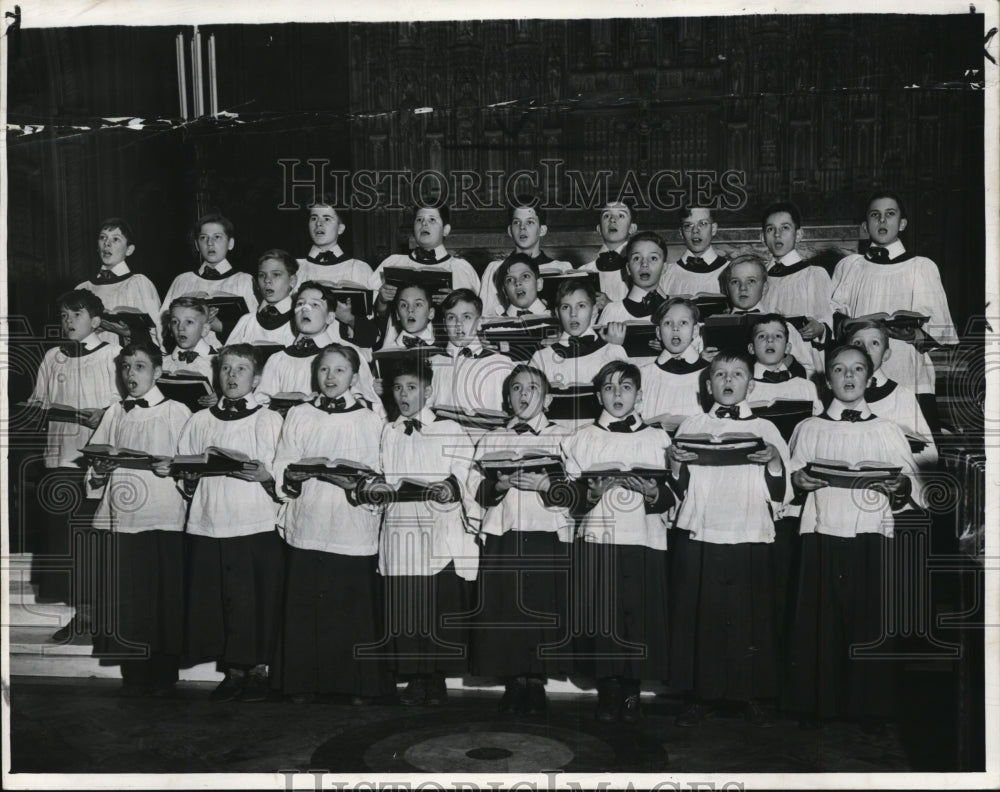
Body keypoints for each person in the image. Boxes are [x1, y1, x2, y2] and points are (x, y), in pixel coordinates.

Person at [786, 345, 924, 727]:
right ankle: (820, 705)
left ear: (870, 377)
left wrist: (898, 486)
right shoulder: (808, 427)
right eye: (839, 369)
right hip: (821, 529)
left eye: (857, 369)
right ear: (826, 379)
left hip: (871, 532)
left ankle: (869, 706)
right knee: (820, 617)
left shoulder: (887, 429)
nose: (848, 377)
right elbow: (790, 480)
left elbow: (913, 486)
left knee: (869, 617)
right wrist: (797, 480)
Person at [668, 349, 790, 728]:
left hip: (748, 527)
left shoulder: (766, 429)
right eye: (720, 375)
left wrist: (772, 460)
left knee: (747, 616)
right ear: (708, 385)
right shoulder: (691, 423)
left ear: (750, 384)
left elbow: (781, 490)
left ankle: (749, 694)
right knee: (702, 614)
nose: (728, 381)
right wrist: (674, 461)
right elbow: (679, 486)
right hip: (703, 528)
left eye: (737, 374)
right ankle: (701, 695)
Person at [271, 344, 393, 703]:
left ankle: (356, 684)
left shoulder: (371, 418)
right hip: (308, 519)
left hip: (349, 523)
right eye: (324, 370)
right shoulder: (299, 414)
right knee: (305, 609)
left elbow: (377, 472)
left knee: (349, 609)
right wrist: (293, 475)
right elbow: (282, 463)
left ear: (354, 377)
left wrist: (356, 484)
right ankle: (303, 683)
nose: (330, 377)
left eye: (339, 371)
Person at [561, 361, 674, 722]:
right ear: (598, 396)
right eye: (609, 388)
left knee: (638, 616)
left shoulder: (658, 438)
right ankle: (608, 689)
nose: (617, 395)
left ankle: (633, 691)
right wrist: (590, 493)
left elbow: (672, 495)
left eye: (625, 388)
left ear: (639, 396)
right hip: (599, 537)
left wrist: (655, 491)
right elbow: (571, 497)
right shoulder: (580, 438)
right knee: (603, 615)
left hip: (644, 537)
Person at [365, 357, 478, 706]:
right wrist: (380, 489)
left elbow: (464, 471)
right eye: (398, 388)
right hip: (400, 526)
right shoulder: (388, 431)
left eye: (412, 388)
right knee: (407, 604)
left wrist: (450, 487)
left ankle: (436, 676)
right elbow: (382, 473)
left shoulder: (449, 429)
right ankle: (415, 676)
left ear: (428, 391)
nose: (404, 395)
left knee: (435, 603)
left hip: (437, 525)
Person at [175, 344, 284, 703]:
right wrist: (189, 477)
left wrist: (267, 476)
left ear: (256, 378)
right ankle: (233, 671)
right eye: (226, 369)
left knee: (253, 599)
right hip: (210, 520)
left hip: (253, 521)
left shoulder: (268, 420)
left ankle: (257, 671)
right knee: (220, 599)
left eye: (241, 369)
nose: (232, 376)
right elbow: (185, 472)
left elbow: (279, 473)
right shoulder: (200, 420)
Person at [466, 365, 573, 715]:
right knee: (507, 608)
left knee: (542, 606)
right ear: (507, 397)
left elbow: (576, 489)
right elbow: (473, 489)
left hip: (546, 531)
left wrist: (547, 485)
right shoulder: (492, 438)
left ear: (549, 398)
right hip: (505, 530)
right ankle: (514, 682)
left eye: (532, 388)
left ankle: (536, 682)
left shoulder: (564, 437)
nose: (523, 394)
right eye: (516, 388)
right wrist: (498, 485)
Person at [85, 342, 190, 697]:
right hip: (123, 517)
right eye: (126, 367)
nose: (131, 375)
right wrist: (99, 470)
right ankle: (134, 673)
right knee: (128, 601)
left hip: (164, 517)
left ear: (158, 372)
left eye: (140, 367)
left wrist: (173, 468)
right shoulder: (115, 412)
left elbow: (191, 467)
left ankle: (162, 673)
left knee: (162, 599)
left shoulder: (176, 412)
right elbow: (95, 468)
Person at [27, 290, 120, 633]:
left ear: (95, 322)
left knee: (94, 538)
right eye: (64, 315)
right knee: (66, 541)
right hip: (60, 458)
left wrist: (104, 415)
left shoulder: (114, 355)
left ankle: (101, 614)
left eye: (76, 315)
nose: (68, 322)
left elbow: (127, 404)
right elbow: (38, 405)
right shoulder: (54, 357)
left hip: (96, 462)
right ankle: (82, 613)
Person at [830, 190, 957, 422]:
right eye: (875, 215)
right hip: (859, 367)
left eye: (890, 214)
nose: (882, 220)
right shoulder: (849, 267)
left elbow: (939, 327)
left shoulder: (921, 267)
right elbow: (832, 314)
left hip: (905, 364)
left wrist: (914, 332)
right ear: (865, 225)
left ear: (902, 223)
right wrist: (845, 323)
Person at [369, 204, 480, 347]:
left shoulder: (461, 268)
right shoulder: (394, 262)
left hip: (448, 350)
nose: (424, 224)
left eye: (432, 220)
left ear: (446, 230)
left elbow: (475, 316)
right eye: (419, 220)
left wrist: (453, 303)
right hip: (398, 348)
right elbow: (372, 319)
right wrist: (382, 300)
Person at [255, 281, 377, 410]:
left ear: (330, 317)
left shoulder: (347, 356)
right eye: (300, 303)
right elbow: (260, 402)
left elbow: (366, 405)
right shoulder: (278, 359)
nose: (305, 308)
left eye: (315, 304)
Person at [846, 319, 937, 468]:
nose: (865, 349)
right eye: (857, 343)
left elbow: (929, 455)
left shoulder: (902, 396)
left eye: (874, 343)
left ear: (886, 354)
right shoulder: (836, 393)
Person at [159, 213, 257, 345]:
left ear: (230, 243)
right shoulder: (182, 281)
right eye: (203, 238)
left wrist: (220, 326)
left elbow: (254, 328)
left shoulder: (244, 281)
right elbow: (162, 325)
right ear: (197, 245)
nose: (210, 243)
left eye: (217, 237)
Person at [757, 202, 832, 366]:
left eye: (785, 228)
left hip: (804, 363)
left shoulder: (813, 275)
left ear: (798, 235)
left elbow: (827, 322)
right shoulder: (758, 279)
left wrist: (819, 328)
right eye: (770, 229)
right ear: (762, 237)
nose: (777, 235)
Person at [717, 255, 814, 377]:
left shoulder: (784, 326)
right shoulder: (713, 325)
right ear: (726, 288)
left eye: (751, 281)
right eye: (735, 282)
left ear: (764, 288)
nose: (743, 288)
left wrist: (786, 361)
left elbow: (809, 371)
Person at [427, 289, 514, 420]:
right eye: (451, 317)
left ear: (479, 322)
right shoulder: (432, 364)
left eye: (466, 317)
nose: (458, 324)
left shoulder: (502, 364)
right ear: (444, 324)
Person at [76, 217, 162, 347]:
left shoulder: (139, 283)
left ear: (129, 250)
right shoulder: (83, 288)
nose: (107, 243)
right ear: (97, 247)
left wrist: (129, 333)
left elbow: (157, 333)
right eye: (102, 238)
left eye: (115, 239)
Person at [479, 198, 572, 316]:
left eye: (530, 222)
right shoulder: (495, 269)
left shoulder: (561, 268)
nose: (522, 227)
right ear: (509, 230)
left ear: (542, 230)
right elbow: (485, 315)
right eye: (516, 222)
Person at [637, 298, 710, 425]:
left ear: (696, 330)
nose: (675, 328)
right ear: (659, 333)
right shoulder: (644, 375)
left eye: (683, 322)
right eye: (667, 323)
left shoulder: (709, 374)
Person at [226, 249, 298, 347]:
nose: (267, 280)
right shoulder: (247, 322)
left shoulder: (299, 321)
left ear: (292, 280)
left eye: (276, 274)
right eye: (262, 275)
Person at [295, 199, 374, 286]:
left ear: (340, 229)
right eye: (314, 218)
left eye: (327, 219)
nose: (318, 223)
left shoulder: (358, 268)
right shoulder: (295, 267)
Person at [597, 230, 669, 325]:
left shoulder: (678, 309)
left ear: (664, 267)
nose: (644, 264)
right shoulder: (613, 312)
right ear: (628, 268)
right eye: (637, 258)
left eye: (653, 258)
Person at [658, 205, 729, 296]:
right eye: (688, 225)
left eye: (703, 224)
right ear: (681, 232)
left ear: (714, 229)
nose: (695, 230)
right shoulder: (666, 274)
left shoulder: (730, 271)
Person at [579, 200, 638, 308]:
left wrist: (610, 306)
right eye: (606, 216)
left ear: (632, 228)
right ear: (599, 228)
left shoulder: (641, 268)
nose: (612, 220)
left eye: (621, 215)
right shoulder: (583, 272)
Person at [495, 253, 550, 317]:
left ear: (539, 284)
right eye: (510, 280)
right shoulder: (494, 324)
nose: (517, 282)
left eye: (525, 276)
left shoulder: (557, 319)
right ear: (504, 291)